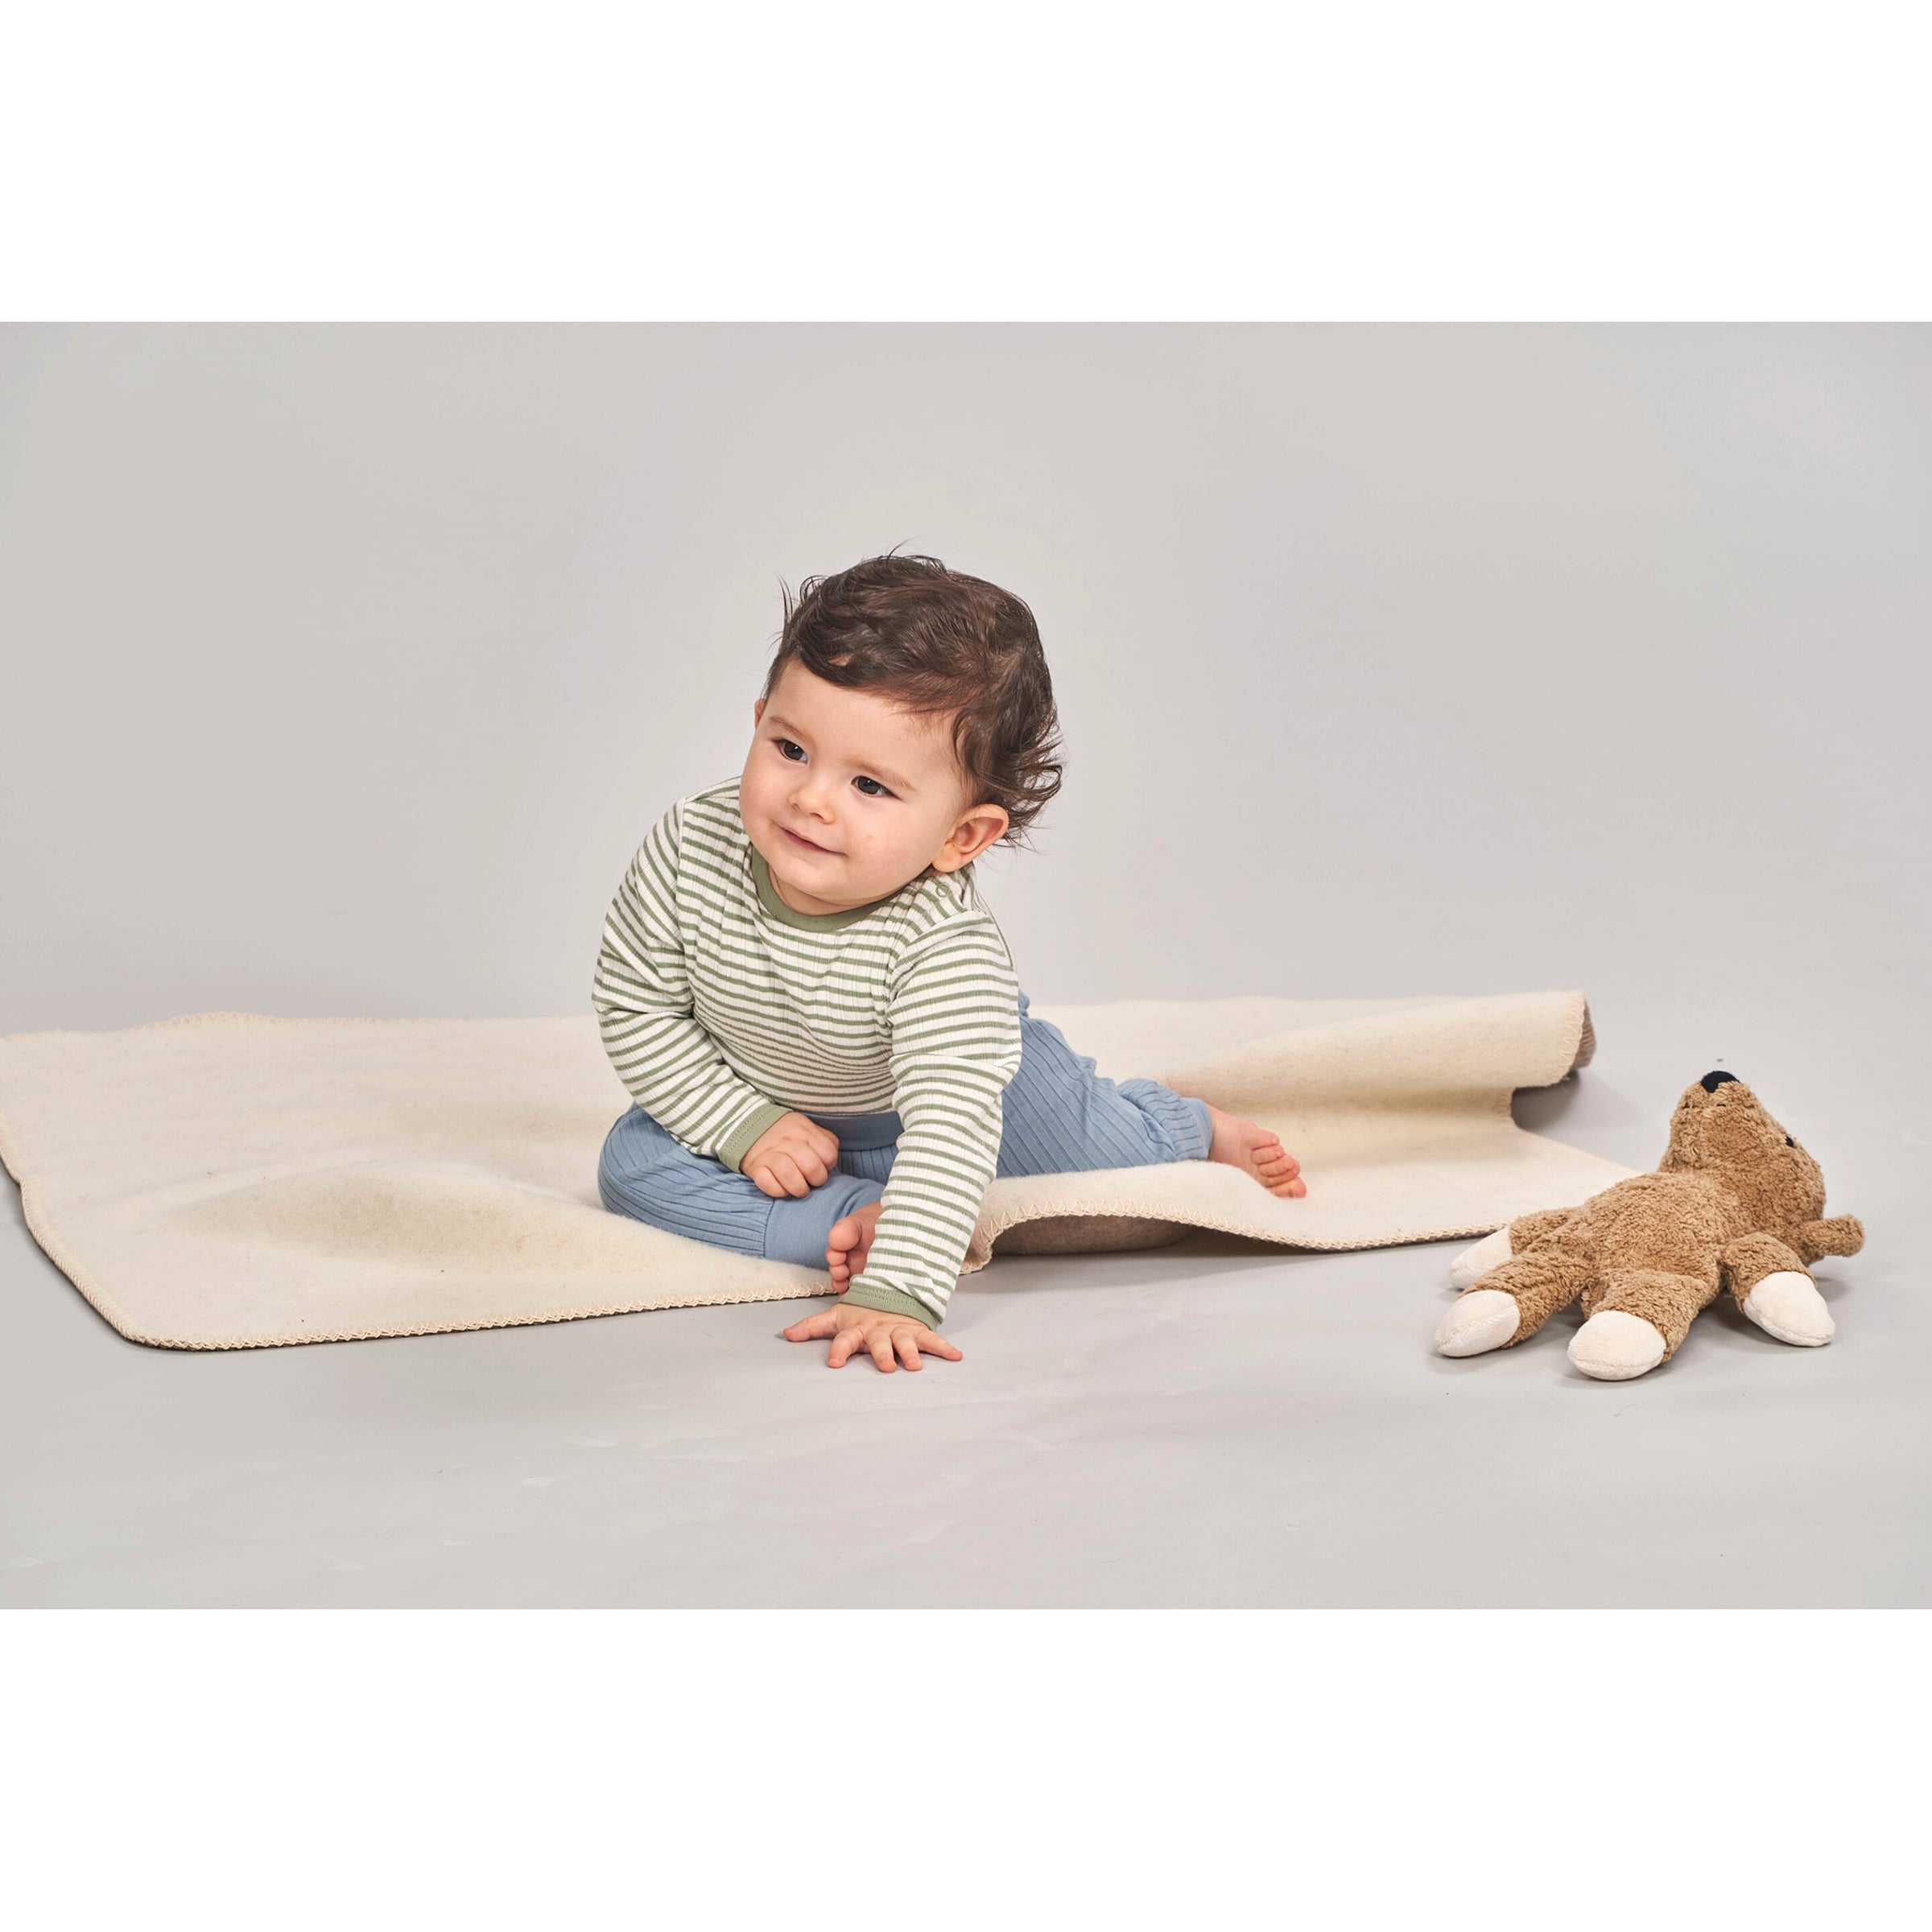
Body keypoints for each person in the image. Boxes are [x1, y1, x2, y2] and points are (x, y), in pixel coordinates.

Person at [592, 552, 1304, 1373]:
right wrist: (741, 1126)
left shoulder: (942, 945)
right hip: (765, 1097)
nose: (811, 799)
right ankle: (859, 1217)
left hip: (957, 1097)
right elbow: (637, 1006)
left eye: (870, 786)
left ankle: (1178, 1126)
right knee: (631, 1168)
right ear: (758, 722)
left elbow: (950, 1125)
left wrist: (896, 1291)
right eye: (790, 748)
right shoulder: (690, 846)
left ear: (962, 837)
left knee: (1096, 1155)